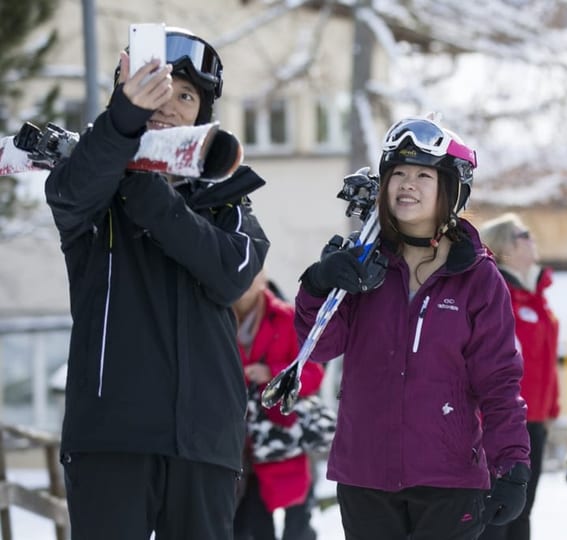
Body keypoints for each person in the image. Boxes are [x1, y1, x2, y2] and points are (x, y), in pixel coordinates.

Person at [46, 27, 270, 540]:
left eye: (186, 96)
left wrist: (153, 198)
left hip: (206, 442)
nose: (168, 105)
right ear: (127, 96)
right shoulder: (88, 186)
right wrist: (121, 129)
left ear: (202, 114)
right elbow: (71, 195)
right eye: (154, 88)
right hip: (110, 440)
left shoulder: (228, 198)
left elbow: (232, 275)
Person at [294, 116, 531, 539]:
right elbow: (322, 346)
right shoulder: (363, 264)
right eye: (398, 173)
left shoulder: (477, 278)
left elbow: (498, 379)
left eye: (424, 174)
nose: (407, 184)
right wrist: (318, 283)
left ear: (451, 188)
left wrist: (511, 462)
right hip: (365, 473)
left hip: (450, 478)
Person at [477, 213, 560, 540]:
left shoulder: (537, 297)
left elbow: (548, 362)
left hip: (535, 422)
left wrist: (552, 408)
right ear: (505, 246)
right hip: (500, 421)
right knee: (498, 515)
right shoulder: (497, 293)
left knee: (524, 512)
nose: (532, 238)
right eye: (524, 234)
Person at [233, 271, 324, 540]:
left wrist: (272, 373)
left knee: (297, 526)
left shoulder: (286, 317)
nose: (245, 281)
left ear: (263, 278)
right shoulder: (217, 318)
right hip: (237, 446)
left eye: (252, 273)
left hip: (280, 440)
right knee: (246, 528)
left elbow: (313, 374)